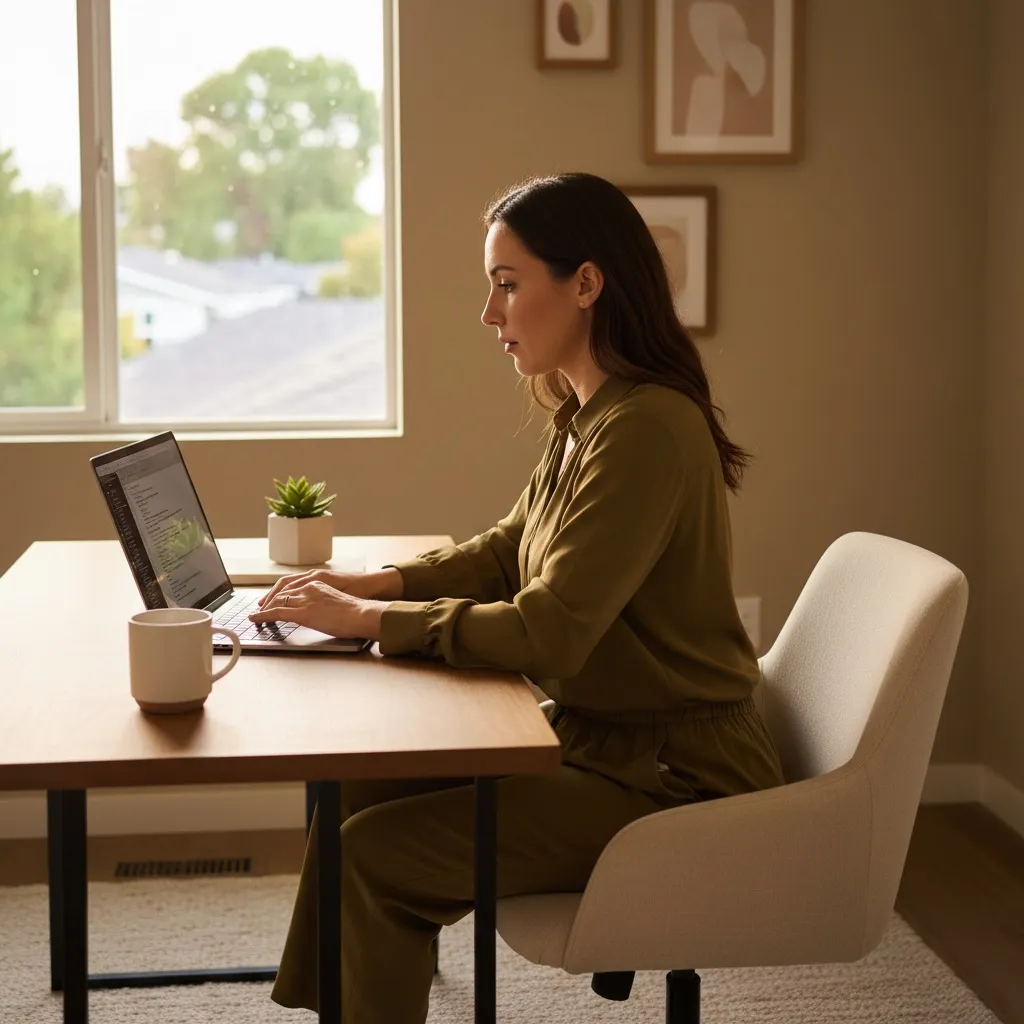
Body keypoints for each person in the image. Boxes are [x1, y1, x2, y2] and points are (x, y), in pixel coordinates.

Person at [251, 172, 785, 1022]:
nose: (489, 313)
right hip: (599, 742)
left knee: (375, 857)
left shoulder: (647, 428)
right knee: (356, 790)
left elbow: (551, 629)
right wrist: (376, 585)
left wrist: (377, 624)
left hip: (672, 778)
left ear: (585, 284)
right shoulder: (587, 414)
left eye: (507, 284)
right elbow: (509, 551)